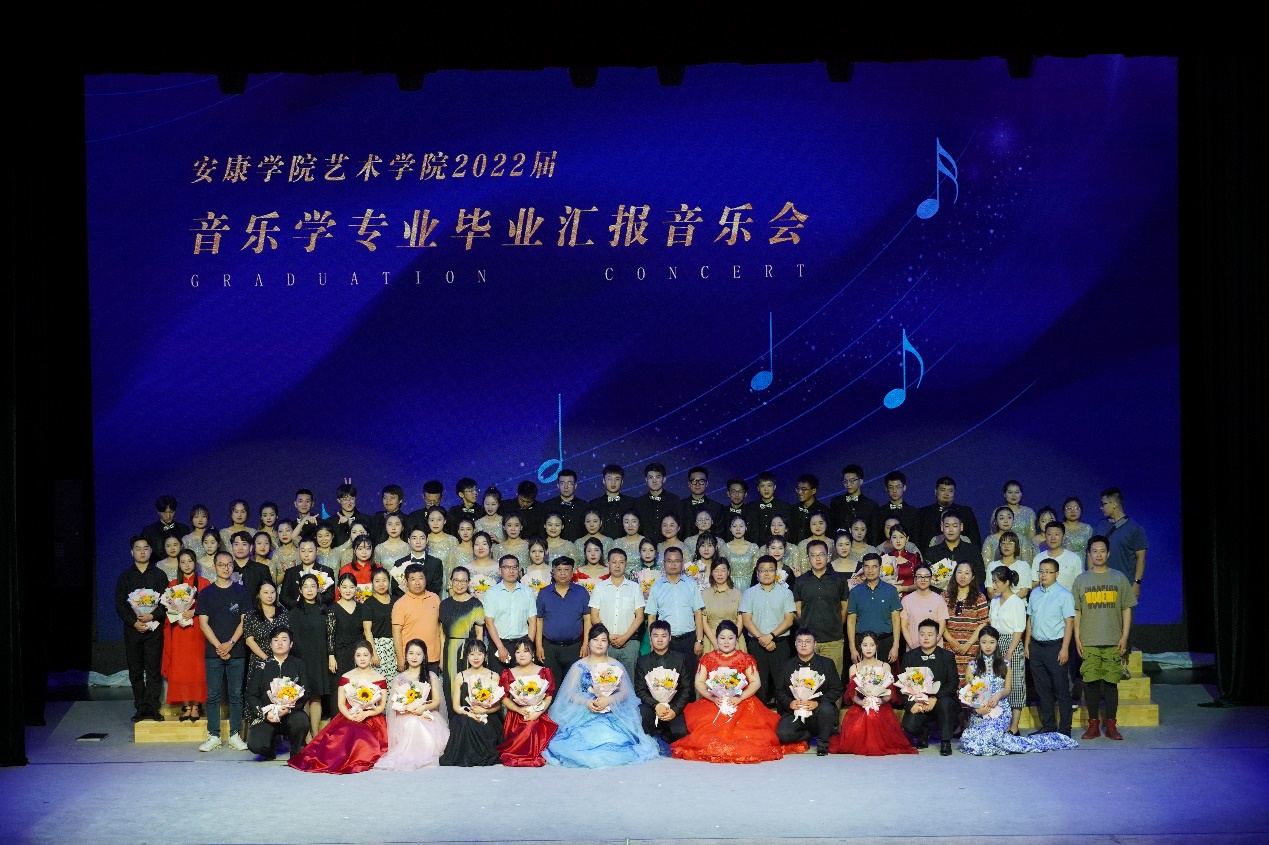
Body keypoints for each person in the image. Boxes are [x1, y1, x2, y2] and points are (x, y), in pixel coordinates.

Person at [672, 620, 805, 762]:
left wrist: (739, 698)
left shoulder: (745, 658)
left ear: (736, 639)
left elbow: (755, 682)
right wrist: (712, 697)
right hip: (714, 701)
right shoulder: (707, 658)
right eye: (722, 638)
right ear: (716, 639)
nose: (726, 642)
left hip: (741, 701)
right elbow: (699, 682)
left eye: (730, 638)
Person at [543, 624, 661, 767]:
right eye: (595, 639)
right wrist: (586, 702)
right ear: (589, 642)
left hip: (612, 709)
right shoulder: (578, 666)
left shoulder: (616, 665)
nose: (599, 643)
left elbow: (624, 692)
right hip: (583, 709)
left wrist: (609, 700)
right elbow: (569, 693)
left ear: (608, 644)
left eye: (603, 640)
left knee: (611, 736)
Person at [959, 627, 1078, 756]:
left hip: (999, 709)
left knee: (988, 737)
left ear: (997, 643)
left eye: (992, 642)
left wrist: (999, 695)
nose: (988, 646)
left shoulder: (1004, 664)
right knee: (970, 742)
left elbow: (1007, 689)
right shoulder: (973, 665)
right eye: (984, 642)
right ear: (979, 642)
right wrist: (978, 709)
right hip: (980, 711)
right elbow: (970, 693)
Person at [289, 640, 389, 773]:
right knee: (348, 731)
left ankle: (360, 757)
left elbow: (381, 706)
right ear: (354, 657)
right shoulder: (346, 677)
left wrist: (366, 714)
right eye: (358, 655)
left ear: (371, 656)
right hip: (349, 714)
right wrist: (350, 716)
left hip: (372, 717)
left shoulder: (379, 678)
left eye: (365, 655)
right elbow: (341, 704)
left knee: (363, 735)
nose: (362, 658)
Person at [1073, 535, 1137, 740]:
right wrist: (1077, 637)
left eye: (1102, 551)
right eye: (1095, 551)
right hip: (1089, 640)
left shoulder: (1119, 578)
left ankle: (1111, 725)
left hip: (1113, 640)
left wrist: (1124, 636)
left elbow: (1126, 608)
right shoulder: (1081, 580)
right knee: (1090, 684)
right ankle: (1093, 725)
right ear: (1089, 554)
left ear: (1108, 554)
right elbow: (1077, 611)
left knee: (1111, 684)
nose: (1098, 555)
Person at [828, 631, 916, 756]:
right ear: (860, 646)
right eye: (865, 645)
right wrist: (862, 702)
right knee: (865, 719)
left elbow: (889, 693)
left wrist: (881, 701)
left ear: (877, 646)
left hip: (881, 707)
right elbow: (852, 695)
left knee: (873, 717)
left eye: (872, 645)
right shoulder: (854, 668)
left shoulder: (885, 666)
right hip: (860, 707)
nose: (868, 648)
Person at [197, 552, 250, 751]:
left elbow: (245, 621)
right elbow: (203, 623)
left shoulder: (242, 592)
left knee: (236, 694)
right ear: (214, 567)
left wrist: (230, 643)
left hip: (236, 651)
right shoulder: (206, 593)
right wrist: (219, 646)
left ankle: (235, 734)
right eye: (221, 564)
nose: (226, 568)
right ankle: (214, 735)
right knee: (213, 695)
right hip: (214, 653)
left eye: (229, 564)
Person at [1094, 487, 1147, 678]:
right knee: (1103, 624)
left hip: (1124, 585)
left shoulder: (1134, 528)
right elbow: (1092, 553)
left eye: (1103, 504)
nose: (1101, 508)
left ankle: (1122, 663)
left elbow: (1141, 558)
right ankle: (1103, 664)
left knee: (1124, 625)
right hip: (1101, 584)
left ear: (1114, 504)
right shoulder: (1100, 527)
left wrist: (1137, 583)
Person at [374, 638, 450, 770]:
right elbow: (395, 703)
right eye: (411, 653)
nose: (414, 657)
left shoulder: (430, 676)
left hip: (426, 712)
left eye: (418, 654)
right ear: (405, 655)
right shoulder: (399, 679)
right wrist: (408, 709)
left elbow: (436, 701)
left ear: (424, 656)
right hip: (405, 716)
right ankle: (412, 756)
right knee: (412, 722)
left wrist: (423, 707)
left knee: (421, 723)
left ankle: (425, 754)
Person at [117, 535, 169, 723]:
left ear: (150, 551)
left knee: (153, 669)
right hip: (133, 631)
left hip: (154, 630)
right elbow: (120, 606)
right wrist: (134, 622)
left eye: (145, 548)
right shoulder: (125, 577)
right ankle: (140, 707)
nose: (142, 551)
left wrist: (152, 616)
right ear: (132, 552)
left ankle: (153, 707)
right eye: (138, 548)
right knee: (136, 670)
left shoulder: (159, 575)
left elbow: (166, 603)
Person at [1024, 557, 1076, 737]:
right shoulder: (1035, 593)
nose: (1043, 575)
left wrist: (1065, 648)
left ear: (1057, 574)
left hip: (1056, 647)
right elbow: (1030, 619)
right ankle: (1048, 726)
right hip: (1036, 647)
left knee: (1061, 690)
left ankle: (1065, 729)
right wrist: (1027, 643)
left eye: (1048, 572)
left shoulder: (1064, 595)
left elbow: (1069, 623)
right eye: (1041, 571)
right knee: (1042, 690)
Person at [245, 626, 312, 762]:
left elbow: (306, 692)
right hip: (267, 715)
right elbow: (251, 694)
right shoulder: (261, 665)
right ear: (270, 644)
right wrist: (265, 713)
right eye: (276, 640)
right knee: (256, 745)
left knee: (302, 721)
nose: (280, 643)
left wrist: (289, 709)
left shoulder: (299, 664)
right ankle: (270, 749)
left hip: (291, 713)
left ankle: (295, 751)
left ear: (291, 644)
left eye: (284, 640)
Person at [774, 628, 844, 755]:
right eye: (800, 641)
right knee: (782, 734)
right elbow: (779, 691)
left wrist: (818, 702)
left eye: (807, 641)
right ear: (795, 643)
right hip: (795, 711)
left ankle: (823, 743)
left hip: (818, 711)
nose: (803, 645)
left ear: (815, 644)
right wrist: (790, 703)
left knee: (826, 709)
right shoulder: (786, 665)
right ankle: (806, 735)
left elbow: (837, 689)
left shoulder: (827, 664)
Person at [739, 555, 797, 704]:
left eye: (770, 570)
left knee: (782, 684)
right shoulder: (749, 593)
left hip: (780, 643)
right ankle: (760, 717)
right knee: (759, 684)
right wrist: (762, 638)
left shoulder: (786, 593)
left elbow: (789, 620)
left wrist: (770, 636)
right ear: (757, 573)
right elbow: (746, 620)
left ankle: (783, 715)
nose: (766, 573)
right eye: (762, 570)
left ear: (776, 572)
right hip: (756, 644)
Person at [162, 548, 209, 723]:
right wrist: (178, 616)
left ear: (195, 563)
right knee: (181, 669)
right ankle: (187, 705)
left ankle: (196, 705)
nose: (187, 565)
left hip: (198, 630)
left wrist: (194, 611)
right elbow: (168, 609)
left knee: (197, 668)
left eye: (190, 561)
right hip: (179, 631)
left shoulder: (204, 583)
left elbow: (210, 606)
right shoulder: (173, 584)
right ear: (179, 565)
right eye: (183, 562)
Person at [439, 640, 505, 767]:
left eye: (479, 654)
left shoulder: (494, 676)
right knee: (464, 721)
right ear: (467, 656)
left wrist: (484, 711)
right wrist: (470, 714)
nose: (476, 658)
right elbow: (456, 706)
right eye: (472, 654)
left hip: (488, 716)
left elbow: (498, 706)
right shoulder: (460, 676)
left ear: (485, 656)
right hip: (466, 713)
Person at [900, 619, 960, 755]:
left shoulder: (947, 656)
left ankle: (945, 741)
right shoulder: (909, 657)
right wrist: (911, 704)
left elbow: (952, 684)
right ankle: (923, 733)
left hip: (941, 700)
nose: (925, 638)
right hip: (919, 701)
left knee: (946, 703)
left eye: (930, 634)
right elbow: (902, 685)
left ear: (937, 636)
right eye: (922, 634)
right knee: (909, 725)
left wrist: (935, 697)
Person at [496, 637, 559, 766]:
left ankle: (528, 754)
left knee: (531, 726)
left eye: (526, 651)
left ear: (532, 653)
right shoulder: (508, 673)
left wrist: (538, 712)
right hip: (516, 715)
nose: (522, 655)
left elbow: (548, 697)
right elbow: (504, 698)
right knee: (525, 727)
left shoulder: (544, 672)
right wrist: (519, 709)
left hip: (538, 713)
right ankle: (518, 752)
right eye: (518, 652)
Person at [644, 547, 705, 679]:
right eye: (669, 561)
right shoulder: (657, 587)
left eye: (677, 561)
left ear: (682, 563)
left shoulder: (691, 584)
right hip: (667, 641)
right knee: (668, 679)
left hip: (688, 640)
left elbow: (698, 613)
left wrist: (699, 640)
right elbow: (651, 616)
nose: (673, 564)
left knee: (689, 679)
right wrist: (652, 642)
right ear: (664, 563)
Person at [287, 572, 333, 741]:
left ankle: (315, 734)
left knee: (316, 696)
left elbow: (329, 636)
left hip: (320, 658)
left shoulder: (324, 609)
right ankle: (305, 735)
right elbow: (294, 638)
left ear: (318, 589)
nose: (309, 590)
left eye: (313, 586)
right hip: (302, 660)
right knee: (304, 697)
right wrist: (299, 661)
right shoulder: (295, 611)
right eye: (305, 586)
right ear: (300, 590)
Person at [792, 539, 848, 674]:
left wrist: (835, 625)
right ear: (808, 558)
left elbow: (844, 609)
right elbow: (798, 611)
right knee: (808, 681)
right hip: (808, 641)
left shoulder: (838, 579)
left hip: (833, 640)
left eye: (821, 554)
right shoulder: (801, 581)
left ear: (827, 556)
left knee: (833, 680)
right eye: (813, 555)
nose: (818, 558)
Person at [589, 548, 646, 679]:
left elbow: (640, 616)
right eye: (614, 562)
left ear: (626, 564)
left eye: (621, 562)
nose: (617, 565)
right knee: (604, 679)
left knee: (629, 680)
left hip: (630, 642)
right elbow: (594, 615)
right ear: (608, 563)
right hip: (605, 642)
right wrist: (607, 636)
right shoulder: (599, 587)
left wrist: (625, 637)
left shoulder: (634, 587)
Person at [533, 557, 591, 686]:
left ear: (572, 572)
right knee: (551, 686)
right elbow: (539, 620)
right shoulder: (544, 593)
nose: (562, 573)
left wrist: (585, 644)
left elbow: (587, 619)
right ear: (553, 572)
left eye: (566, 569)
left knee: (573, 686)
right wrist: (539, 646)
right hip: (550, 648)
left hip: (575, 647)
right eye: (559, 569)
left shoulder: (581, 592)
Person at [633, 620, 692, 745]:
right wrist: (656, 705)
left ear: (669, 638)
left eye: (664, 636)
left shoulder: (680, 659)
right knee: (642, 714)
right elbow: (640, 690)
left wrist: (674, 710)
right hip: (651, 707)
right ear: (650, 638)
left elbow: (686, 688)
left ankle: (664, 733)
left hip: (673, 706)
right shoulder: (642, 661)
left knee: (680, 732)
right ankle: (651, 736)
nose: (660, 639)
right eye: (656, 636)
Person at [988, 566, 1028, 735]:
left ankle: (1014, 726)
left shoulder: (1016, 602)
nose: (994, 585)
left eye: (997, 582)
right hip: (996, 643)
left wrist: (1010, 651)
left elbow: (1019, 629)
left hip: (1012, 643)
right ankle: (1000, 724)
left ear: (1007, 582)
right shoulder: (994, 601)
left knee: (1015, 683)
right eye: (993, 581)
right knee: (997, 683)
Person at [846, 552, 903, 666]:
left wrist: (895, 646)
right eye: (867, 566)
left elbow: (896, 620)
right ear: (863, 568)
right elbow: (851, 621)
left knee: (886, 676)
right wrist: (852, 648)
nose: (870, 570)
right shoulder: (855, 592)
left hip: (885, 641)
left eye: (874, 566)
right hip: (862, 643)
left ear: (880, 568)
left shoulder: (891, 590)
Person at [483, 554, 537, 670]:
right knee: (498, 680)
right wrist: (500, 647)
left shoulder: (527, 592)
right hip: (499, 643)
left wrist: (528, 647)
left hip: (522, 643)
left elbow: (532, 621)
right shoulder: (491, 593)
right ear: (500, 570)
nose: (511, 571)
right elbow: (489, 623)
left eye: (514, 567)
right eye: (507, 567)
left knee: (522, 680)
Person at [439, 566, 486, 698]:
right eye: (456, 580)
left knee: (470, 686)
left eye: (463, 581)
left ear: (469, 582)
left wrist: (478, 655)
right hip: (450, 650)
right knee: (450, 687)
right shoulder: (444, 604)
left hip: (469, 650)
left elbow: (479, 633)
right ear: (451, 581)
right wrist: (442, 658)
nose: (459, 584)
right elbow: (442, 634)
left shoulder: (475, 604)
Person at [943, 561, 990, 687]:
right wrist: (951, 640)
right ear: (954, 575)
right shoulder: (945, 596)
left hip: (971, 648)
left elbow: (983, 623)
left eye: (967, 573)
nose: (963, 576)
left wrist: (968, 644)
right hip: (950, 647)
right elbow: (940, 621)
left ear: (973, 577)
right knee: (950, 681)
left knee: (970, 685)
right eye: (959, 572)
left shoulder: (979, 597)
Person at [392, 563, 442, 677]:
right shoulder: (400, 604)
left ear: (426, 579)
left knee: (433, 687)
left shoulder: (435, 598)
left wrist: (442, 656)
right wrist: (400, 658)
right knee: (411, 688)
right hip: (411, 658)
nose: (417, 583)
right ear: (406, 582)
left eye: (420, 578)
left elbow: (440, 628)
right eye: (413, 579)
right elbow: (396, 632)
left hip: (433, 657)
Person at [242, 580, 289, 696]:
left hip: (282, 660)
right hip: (259, 661)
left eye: (272, 592)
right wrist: (267, 659)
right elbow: (249, 641)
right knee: (258, 695)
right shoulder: (251, 616)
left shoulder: (284, 613)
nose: (270, 596)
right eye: (266, 592)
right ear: (259, 594)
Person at [915, 476, 982, 549]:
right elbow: (916, 541)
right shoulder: (923, 513)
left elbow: (975, 541)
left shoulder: (966, 512)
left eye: (950, 491)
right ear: (936, 491)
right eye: (943, 490)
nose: (947, 494)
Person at [926, 510, 985, 586]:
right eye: (947, 526)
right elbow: (927, 577)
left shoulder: (972, 550)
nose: (950, 530)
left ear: (961, 527)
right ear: (942, 527)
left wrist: (965, 589)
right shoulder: (932, 552)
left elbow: (980, 575)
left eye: (954, 526)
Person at [701, 558, 745, 654]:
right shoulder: (705, 594)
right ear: (712, 573)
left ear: (728, 572)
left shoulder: (737, 593)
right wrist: (716, 643)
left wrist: (732, 640)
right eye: (716, 571)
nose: (719, 574)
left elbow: (741, 621)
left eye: (723, 570)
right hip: (712, 641)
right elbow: (704, 622)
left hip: (734, 640)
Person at [900, 564, 949, 650]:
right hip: (913, 648)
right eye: (919, 577)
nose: (923, 580)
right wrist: (913, 647)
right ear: (915, 579)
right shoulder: (906, 600)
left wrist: (934, 642)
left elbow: (942, 624)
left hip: (935, 648)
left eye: (926, 577)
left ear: (931, 578)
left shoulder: (939, 599)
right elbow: (904, 626)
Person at [362, 568, 398, 684]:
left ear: (389, 582)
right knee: (378, 684)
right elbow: (367, 630)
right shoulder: (368, 603)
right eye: (377, 581)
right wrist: (373, 654)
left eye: (384, 580)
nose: (381, 584)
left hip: (395, 646)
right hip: (378, 647)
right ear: (372, 583)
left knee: (396, 684)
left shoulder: (397, 601)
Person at [279, 537, 336, 608]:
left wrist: (313, 603)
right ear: (298, 551)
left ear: (317, 551)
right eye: (303, 551)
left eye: (310, 551)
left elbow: (330, 596)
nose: (306, 554)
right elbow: (283, 597)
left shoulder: (326, 571)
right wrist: (298, 606)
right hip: (296, 611)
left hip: (318, 611)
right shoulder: (291, 572)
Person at [330, 574, 369, 676]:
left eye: (351, 587)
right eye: (344, 587)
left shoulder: (361, 608)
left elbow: (365, 631)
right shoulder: (332, 609)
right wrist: (331, 656)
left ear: (356, 588)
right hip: (340, 655)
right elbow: (330, 635)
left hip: (358, 654)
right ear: (339, 588)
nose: (348, 590)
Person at [391, 526, 445, 598]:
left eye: (422, 538)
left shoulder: (436, 563)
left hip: (428, 602)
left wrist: (420, 597)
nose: (418, 542)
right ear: (409, 540)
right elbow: (395, 590)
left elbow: (436, 588)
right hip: (406, 603)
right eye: (414, 538)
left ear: (427, 540)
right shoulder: (399, 563)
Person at [870, 470, 920, 546]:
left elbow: (916, 539)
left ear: (904, 487)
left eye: (898, 487)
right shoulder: (879, 513)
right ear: (886, 489)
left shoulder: (913, 513)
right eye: (891, 487)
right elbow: (875, 538)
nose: (894, 491)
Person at [635, 462, 682, 542]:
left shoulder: (674, 500)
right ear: (646, 480)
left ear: (664, 479)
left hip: (669, 546)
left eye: (658, 477)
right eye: (651, 477)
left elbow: (680, 527)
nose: (654, 480)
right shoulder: (638, 502)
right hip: (645, 546)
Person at [828, 464, 878, 537]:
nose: (848, 484)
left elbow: (874, 534)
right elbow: (831, 528)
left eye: (852, 481)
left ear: (860, 481)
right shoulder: (836, 502)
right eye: (845, 481)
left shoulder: (871, 505)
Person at [1034, 521, 1084, 592]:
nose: (1053, 538)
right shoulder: (1038, 558)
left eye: (1056, 534)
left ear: (1064, 537)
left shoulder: (1074, 558)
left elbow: (1080, 584)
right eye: (1049, 534)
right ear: (1045, 536)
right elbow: (1035, 583)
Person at [748, 470, 792, 548]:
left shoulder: (785, 507)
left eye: (769, 485)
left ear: (774, 487)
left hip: (778, 549)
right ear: (758, 488)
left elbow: (790, 533)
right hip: (755, 550)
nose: (766, 489)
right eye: (762, 486)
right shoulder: (750, 507)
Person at [590, 464, 634, 538]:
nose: (613, 483)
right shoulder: (594, 504)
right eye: (609, 479)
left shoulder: (631, 503)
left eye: (617, 479)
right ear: (604, 481)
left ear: (622, 482)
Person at [228, 530, 272, 604]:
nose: (240, 548)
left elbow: (269, 594)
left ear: (251, 547)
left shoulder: (262, 569)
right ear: (231, 547)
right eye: (236, 544)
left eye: (244, 544)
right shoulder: (227, 569)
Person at [541, 468, 585, 541]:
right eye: (562, 483)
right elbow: (541, 531)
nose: (566, 487)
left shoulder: (584, 506)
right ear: (558, 485)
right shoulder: (548, 505)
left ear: (575, 486)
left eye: (569, 483)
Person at [985, 531, 1032, 599]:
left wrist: (1009, 603)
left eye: (1010, 543)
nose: (1006, 546)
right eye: (1003, 543)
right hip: (997, 603)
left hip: (1017, 602)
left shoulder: (1023, 565)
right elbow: (990, 591)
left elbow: (1024, 591)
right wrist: (999, 602)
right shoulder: (992, 565)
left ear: (1016, 546)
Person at [142, 494, 191, 559]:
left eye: (171, 512)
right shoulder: (149, 531)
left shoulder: (184, 529)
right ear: (158, 511)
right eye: (165, 512)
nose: (168, 516)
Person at [681, 466, 726, 535]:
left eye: (701, 481)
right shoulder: (679, 506)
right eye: (694, 481)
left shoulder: (717, 508)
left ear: (706, 484)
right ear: (689, 484)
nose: (697, 484)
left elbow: (719, 535)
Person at [789, 474, 830, 545]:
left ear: (813, 490)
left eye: (804, 489)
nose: (800, 492)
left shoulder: (823, 511)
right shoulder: (793, 509)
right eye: (798, 488)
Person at [326, 481, 369, 548]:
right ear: (338, 500)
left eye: (351, 498)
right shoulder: (331, 522)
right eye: (345, 499)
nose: (349, 502)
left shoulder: (366, 519)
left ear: (355, 499)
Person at [723, 514, 760, 586]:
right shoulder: (724, 548)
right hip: (729, 585)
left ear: (746, 527)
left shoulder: (753, 547)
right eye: (734, 526)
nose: (738, 529)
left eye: (741, 526)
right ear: (730, 528)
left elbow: (757, 570)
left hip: (750, 585)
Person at [885, 524, 921, 594]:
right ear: (890, 540)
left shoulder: (914, 558)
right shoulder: (885, 558)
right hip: (889, 597)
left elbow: (920, 582)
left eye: (901, 537)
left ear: (907, 539)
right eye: (894, 537)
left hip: (910, 597)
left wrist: (902, 588)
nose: (898, 541)